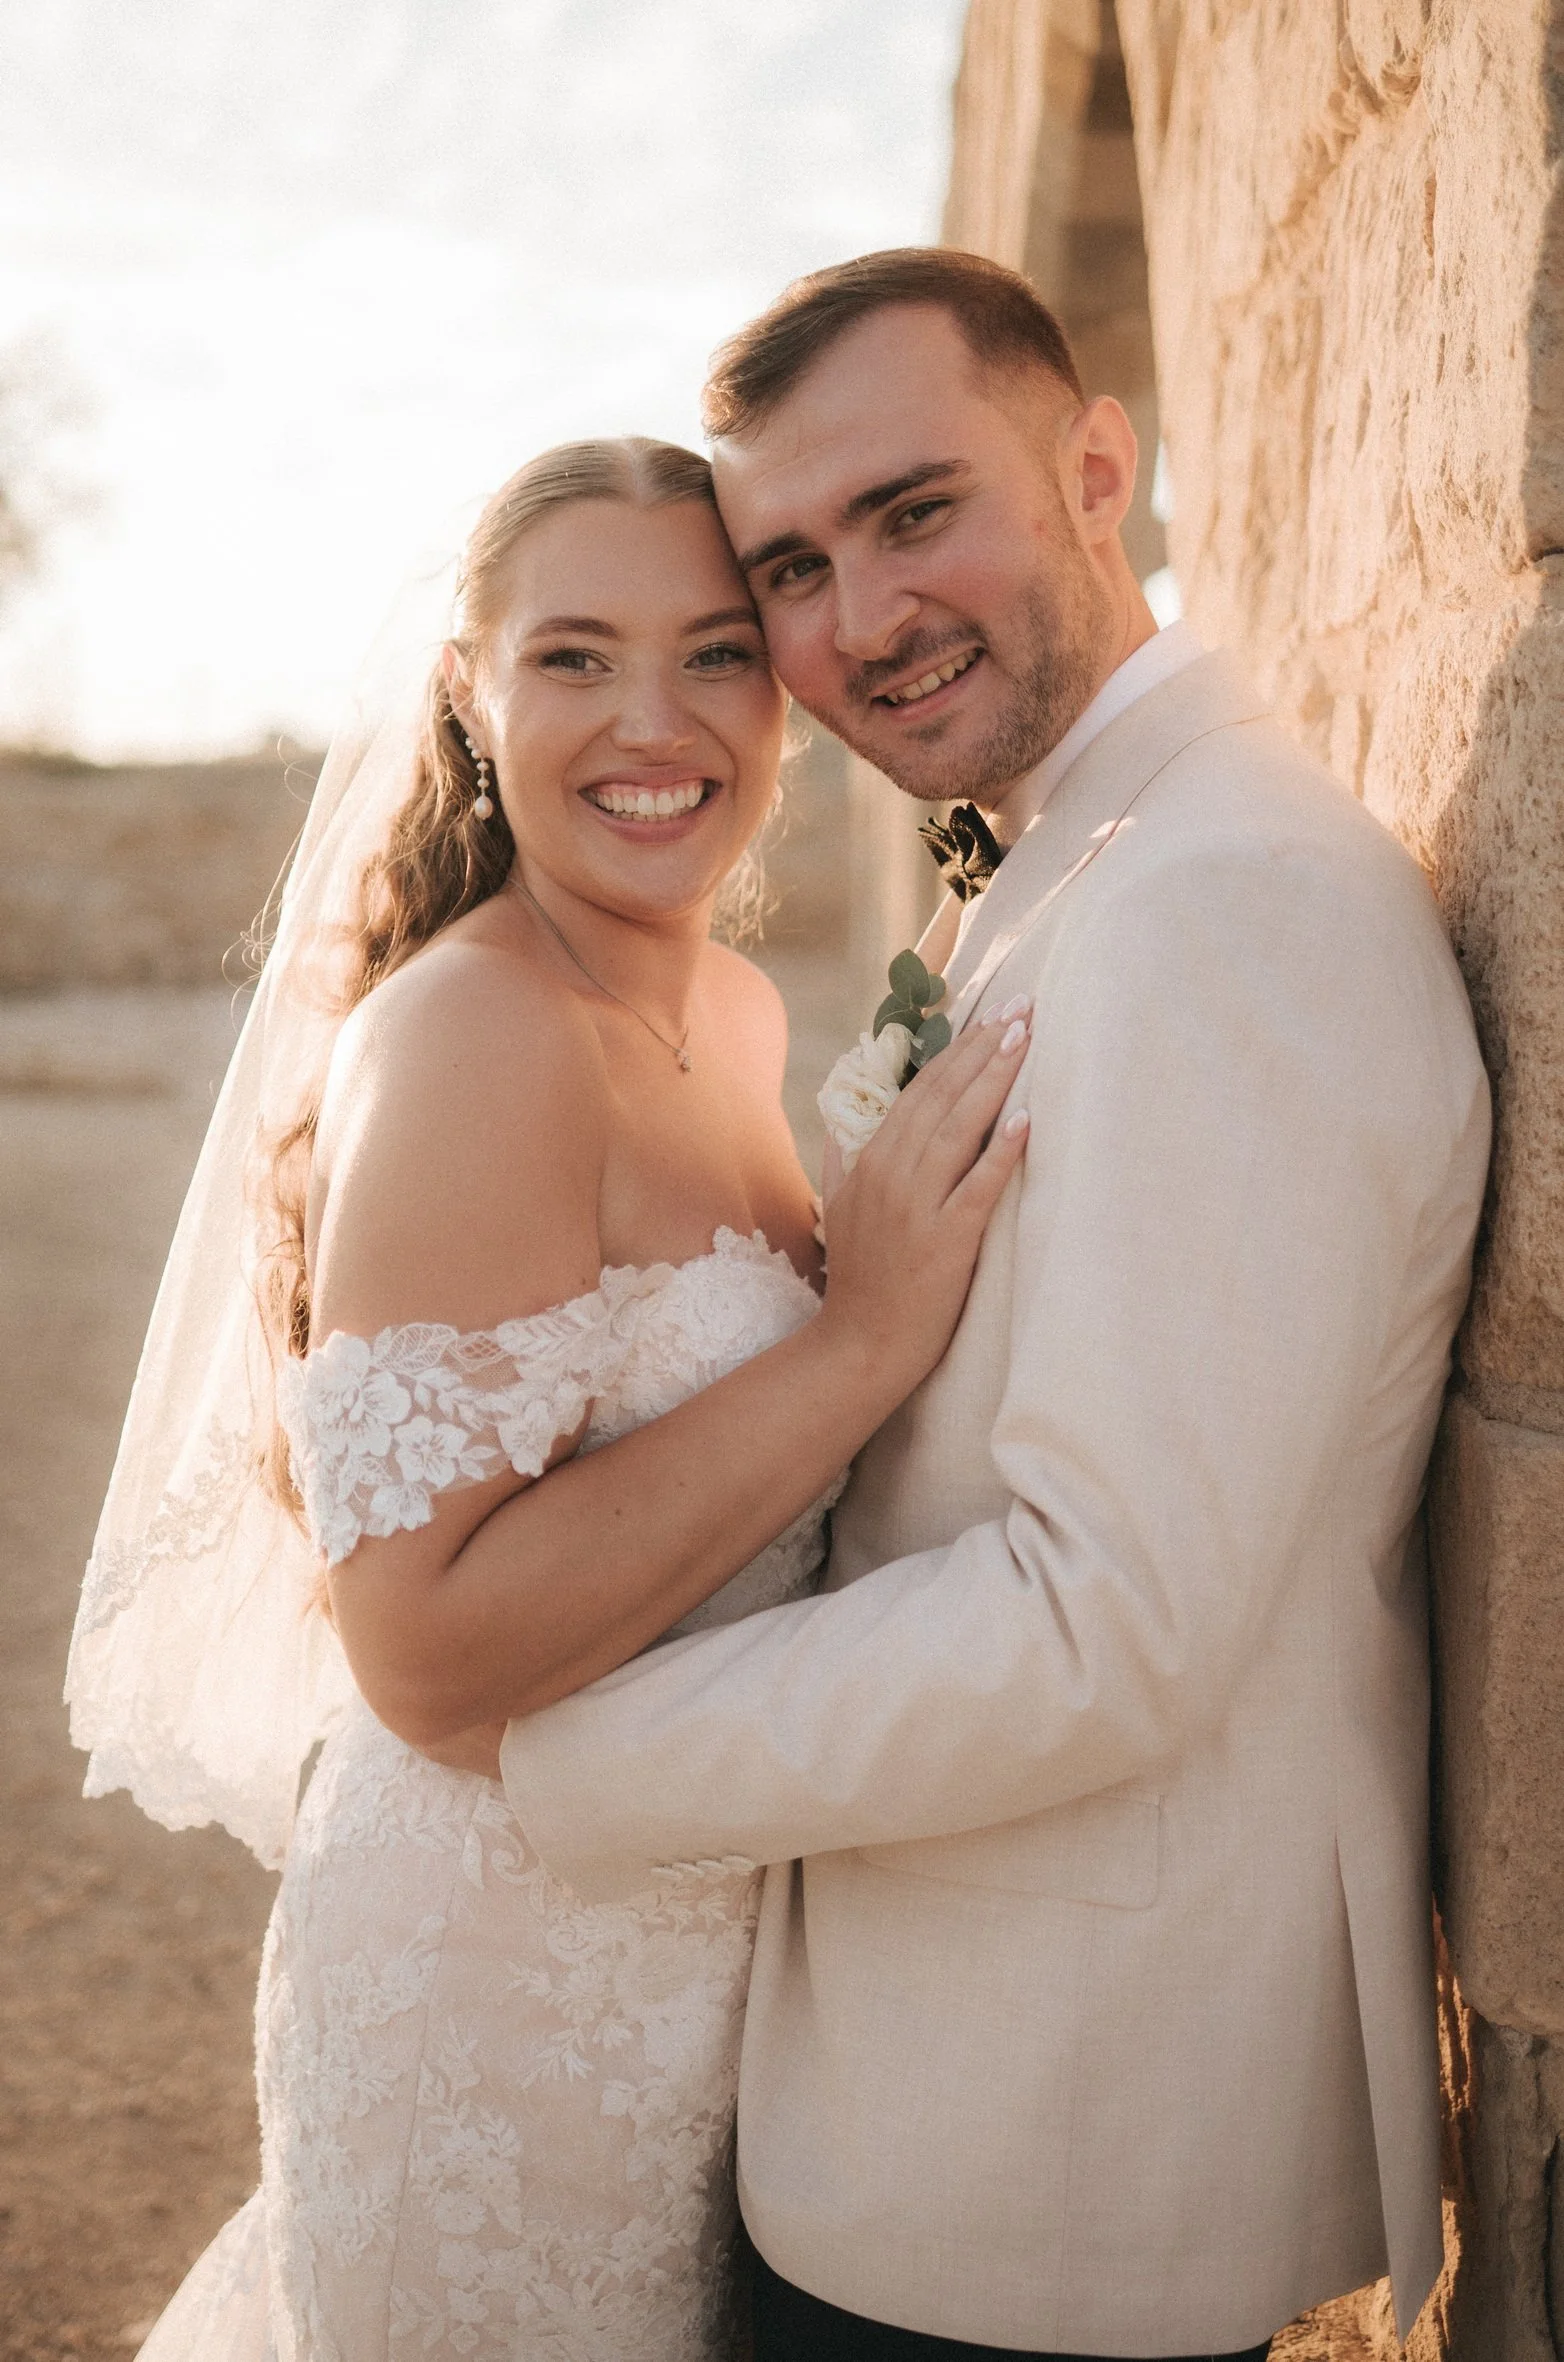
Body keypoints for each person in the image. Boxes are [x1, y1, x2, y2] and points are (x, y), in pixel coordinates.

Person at [493, 253, 1494, 2359]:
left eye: (914, 510)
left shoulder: (1221, 895)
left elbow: (1099, 1614)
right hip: (947, 2058)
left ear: (1096, 473)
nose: (860, 618)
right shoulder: (1073, 857)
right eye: (792, 564)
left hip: (1044, 2123)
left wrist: (560, 1755)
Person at [67, 433, 1031, 2359]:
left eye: (714, 653)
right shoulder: (477, 1032)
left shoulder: (731, 1010)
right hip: (494, 1998)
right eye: (575, 656)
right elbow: (421, 1652)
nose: (652, 722)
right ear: (468, 689)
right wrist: (856, 1343)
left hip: (694, 1969)